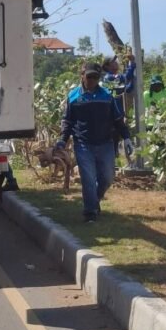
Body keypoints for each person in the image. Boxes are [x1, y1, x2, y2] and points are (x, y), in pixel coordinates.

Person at [55, 61, 132, 223]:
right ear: (82, 76)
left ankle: (95, 199)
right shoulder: (74, 97)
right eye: (89, 77)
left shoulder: (107, 97)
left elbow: (118, 120)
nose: (92, 81)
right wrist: (62, 140)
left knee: (108, 177)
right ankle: (90, 212)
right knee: (88, 178)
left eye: (95, 77)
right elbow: (67, 121)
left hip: (105, 144)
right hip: (83, 145)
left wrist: (127, 138)